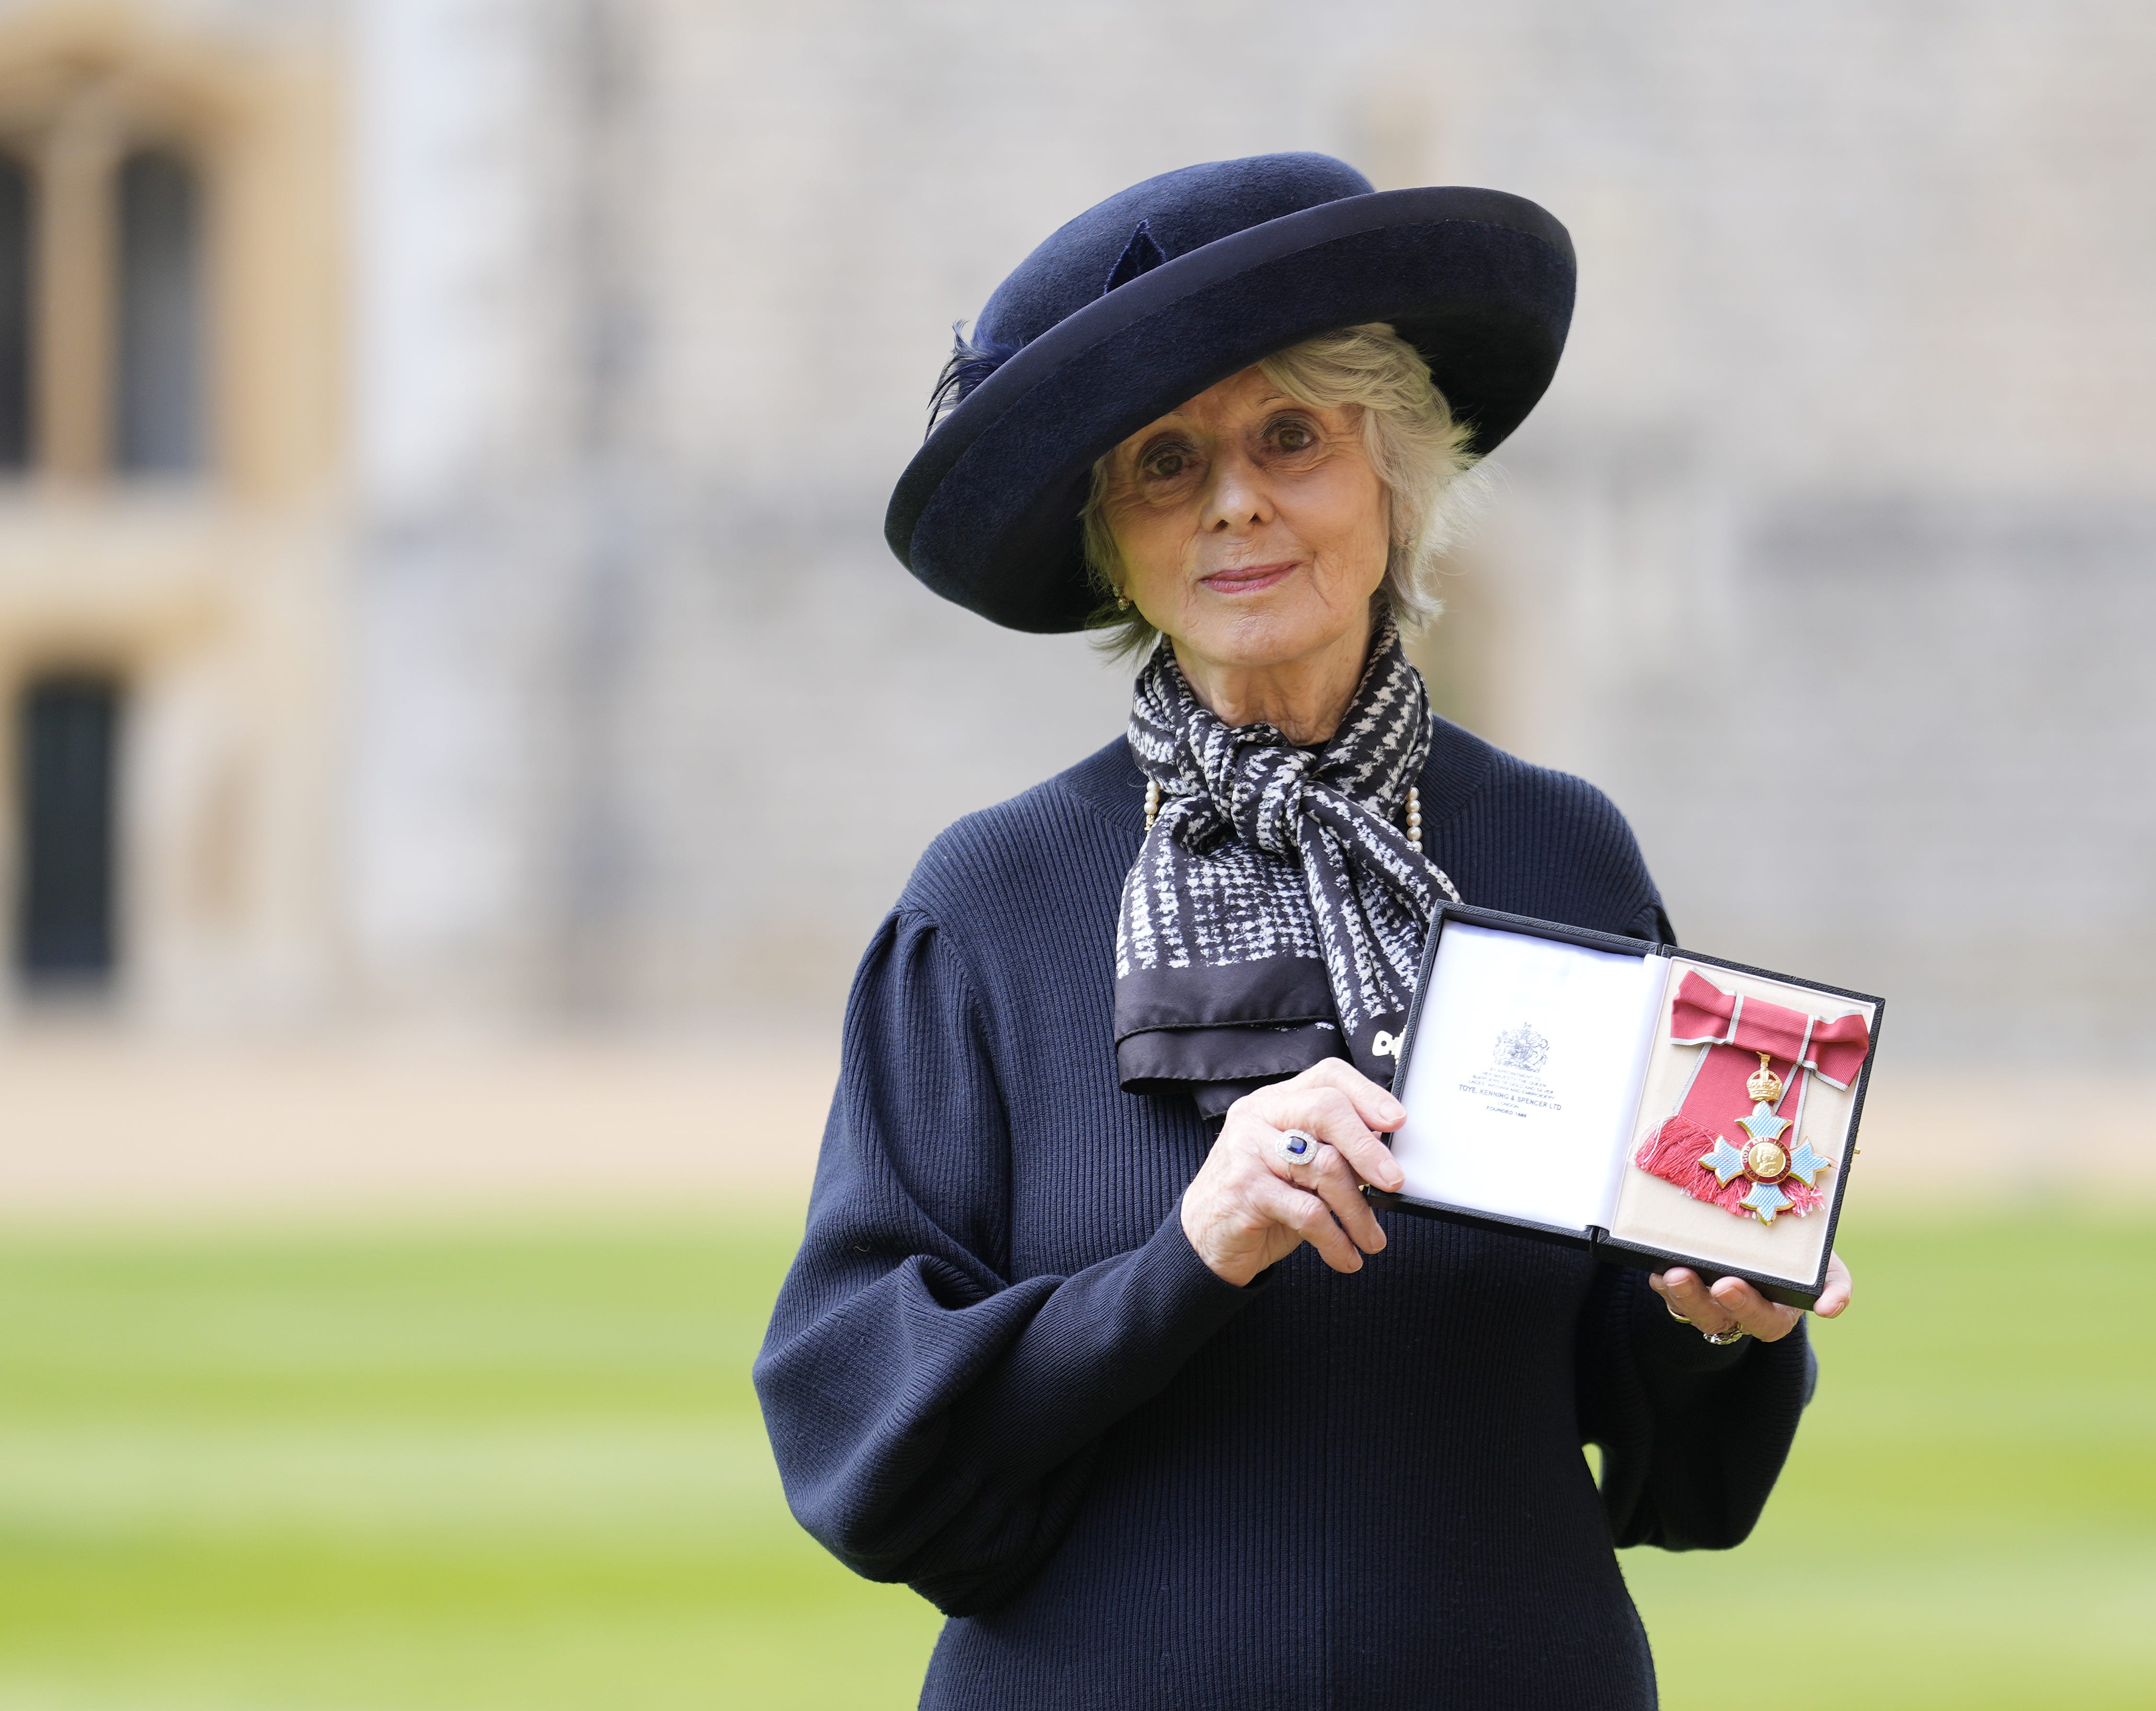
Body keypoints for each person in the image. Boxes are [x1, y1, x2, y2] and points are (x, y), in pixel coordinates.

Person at [755, 152, 1852, 1711]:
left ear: (1395, 473)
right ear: (1111, 535)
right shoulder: (987, 903)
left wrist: (1713, 1320)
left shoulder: (1561, 851)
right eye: (1163, 460)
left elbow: (1672, 1454)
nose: (1236, 499)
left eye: (1290, 435)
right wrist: (1187, 1258)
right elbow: (864, 1439)